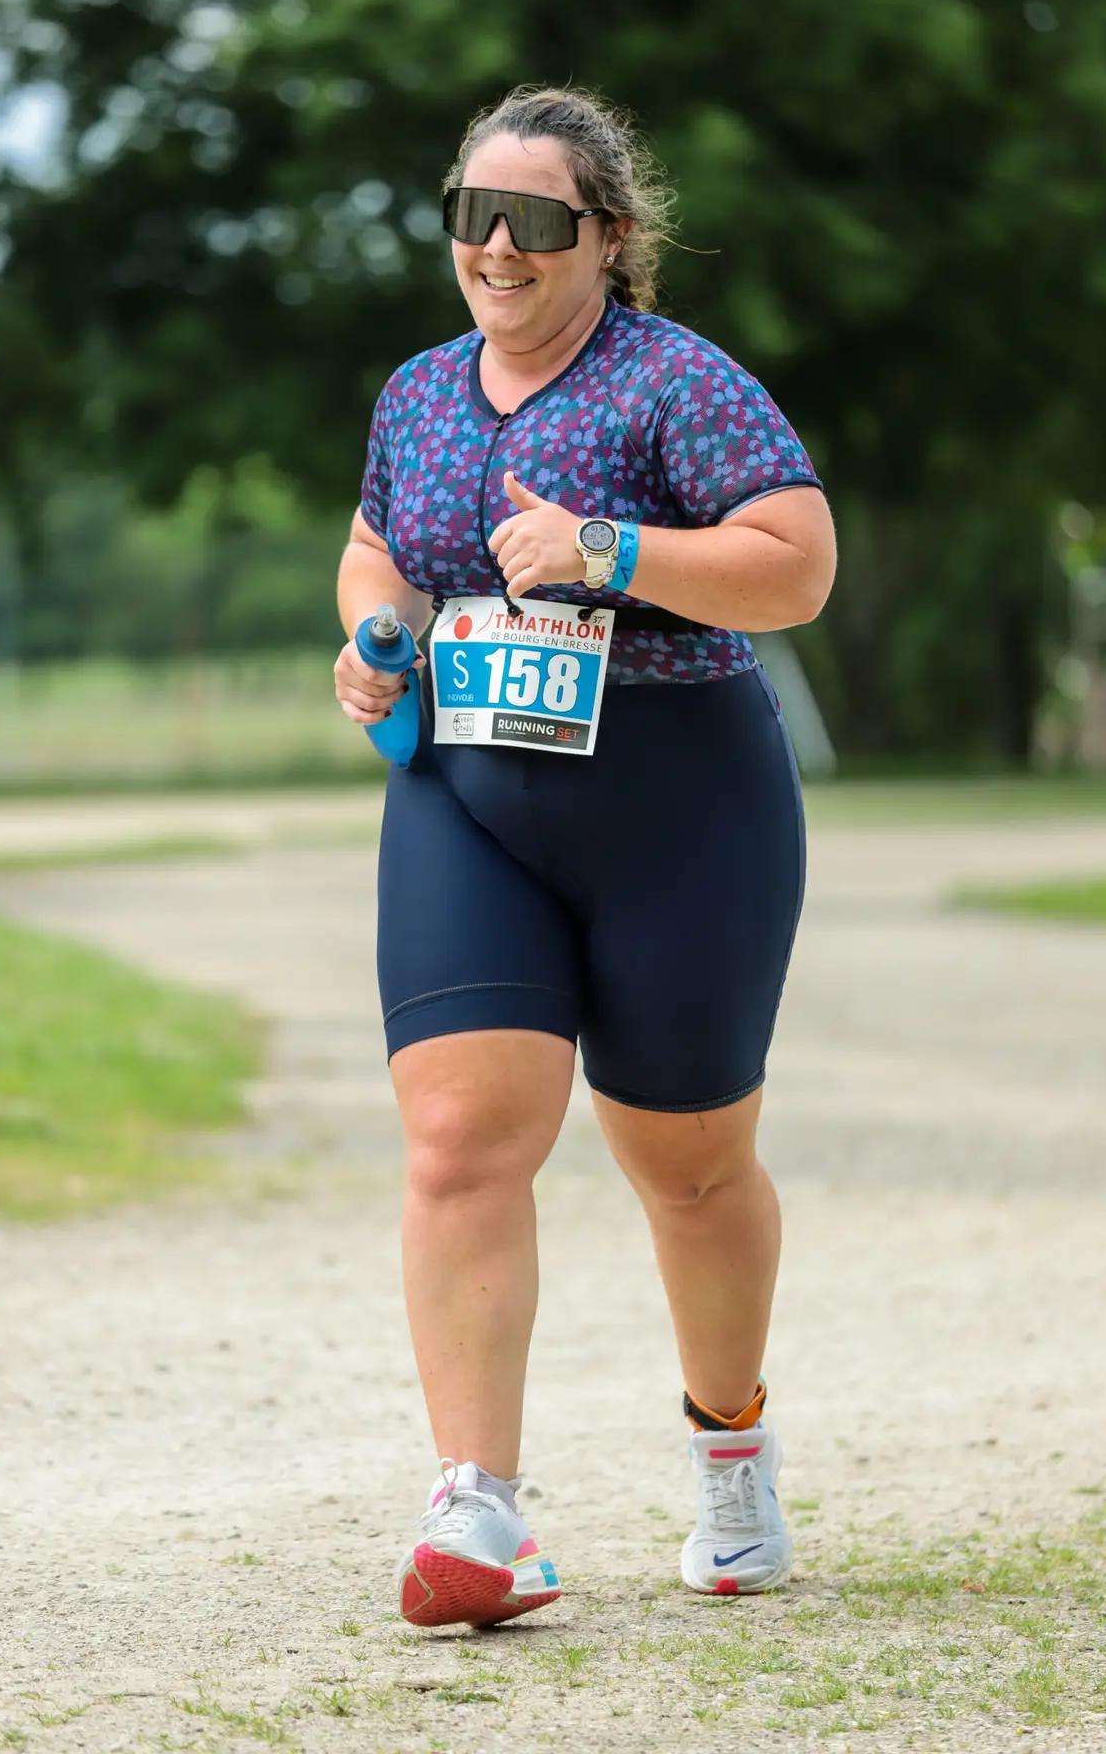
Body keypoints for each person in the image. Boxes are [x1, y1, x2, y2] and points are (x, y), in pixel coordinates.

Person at [334, 86, 836, 1629]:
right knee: (461, 1137)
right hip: (471, 796)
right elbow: (375, 545)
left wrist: (610, 550)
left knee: (687, 1169)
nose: (497, 245)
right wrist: (366, 640)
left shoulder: (679, 384)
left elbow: (798, 565)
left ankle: (730, 1448)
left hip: (682, 808)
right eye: (470, 214)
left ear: (609, 239)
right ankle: (478, 1512)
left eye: (537, 219)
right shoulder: (420, 393)